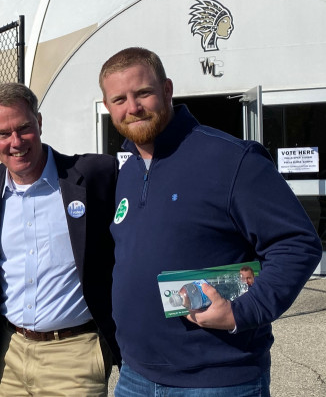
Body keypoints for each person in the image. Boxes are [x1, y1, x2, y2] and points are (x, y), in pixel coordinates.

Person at [100, 47, 322, 396]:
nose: (132, 107)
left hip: (218, 379)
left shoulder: (232, 159)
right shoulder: (126, 174)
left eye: (143, 93)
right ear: (108, 106)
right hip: (135, 377)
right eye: (119, 99)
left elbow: (297, 243)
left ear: (167, 90)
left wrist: (242, 313)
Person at [0, 82, 120, 396]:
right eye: (2, 134)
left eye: (24, 128)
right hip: (12, 354)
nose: (15, 142)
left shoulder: (94, 175)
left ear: (39, 122)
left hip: (76, 355)